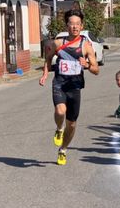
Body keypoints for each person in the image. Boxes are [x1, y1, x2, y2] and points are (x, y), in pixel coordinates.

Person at [39, 9, 100, 166]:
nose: (75, 27)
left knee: (72, 124)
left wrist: (86, 64)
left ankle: (63, 150)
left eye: (77, 24)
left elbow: (96, 70)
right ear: (67, 25)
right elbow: (48, 58)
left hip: (75, 86)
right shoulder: (58, 43)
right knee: (60, 111)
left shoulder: (86, 46)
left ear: (81, 26)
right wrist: (45, 74)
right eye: (72, 24)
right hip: (59, 83)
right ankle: (59, 128)